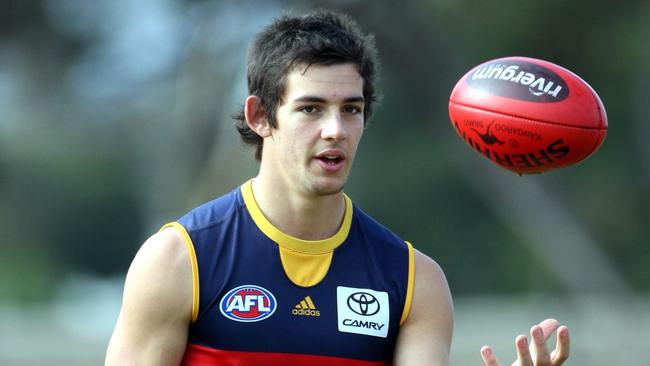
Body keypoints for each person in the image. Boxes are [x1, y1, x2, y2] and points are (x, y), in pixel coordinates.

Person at [105, 10, 570, 366]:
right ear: (259, 116)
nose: (335, 130)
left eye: (351, 109)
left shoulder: (412, 283)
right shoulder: (179, 260)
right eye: (310, 109)